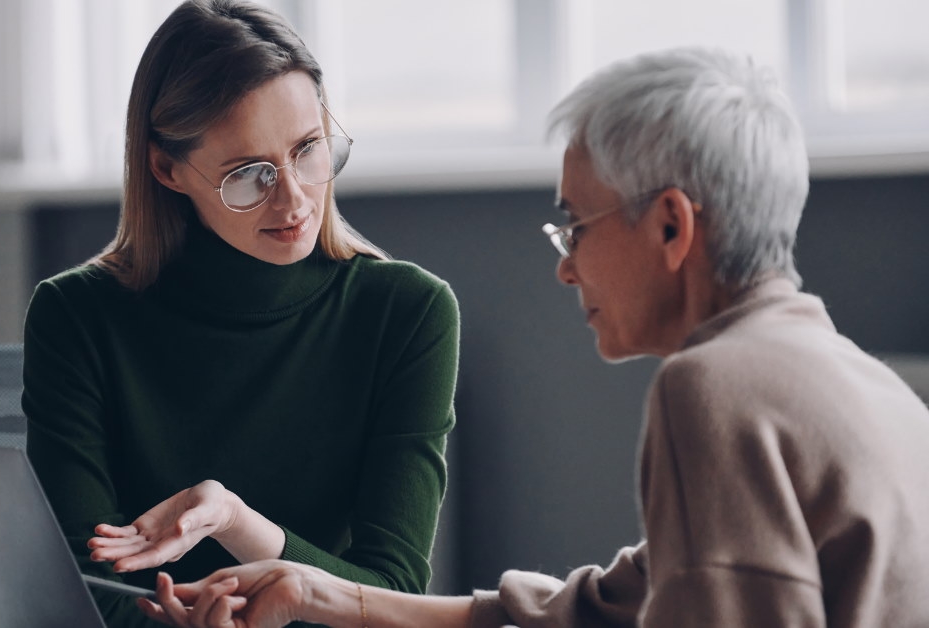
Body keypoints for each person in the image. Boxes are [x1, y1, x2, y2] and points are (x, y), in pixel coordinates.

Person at [137, 47, 929, 628]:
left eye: (575, 227)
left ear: (669, 225)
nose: (565, 269)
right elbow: (606, 609)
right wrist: (319, 591)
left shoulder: (714, 388)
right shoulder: (865, 387)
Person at [21, 1, 460, 626]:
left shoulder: (407, 312)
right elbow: (80, 590)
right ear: (167, 169)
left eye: (309, 149)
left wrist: (234, 522)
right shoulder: (78, 314)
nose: (294, 198)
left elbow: (392, 597)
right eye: (249, 175)